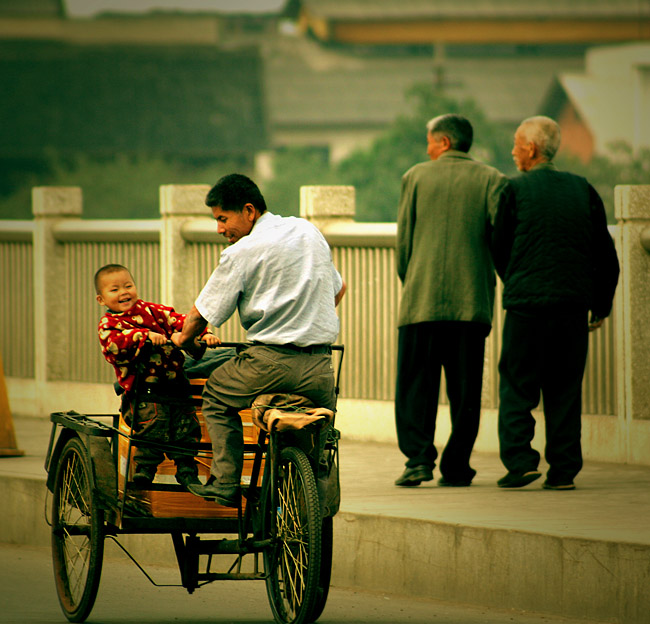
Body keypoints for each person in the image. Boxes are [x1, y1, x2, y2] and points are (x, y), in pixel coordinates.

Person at [172, 173, 346, 507]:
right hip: (321, 366)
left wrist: (183, 338)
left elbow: (200, 316)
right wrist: (305, 319)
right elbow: (338, 289)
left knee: (217, 396)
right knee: (319, 441)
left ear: (249, 211)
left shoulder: (242, 251)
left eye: (223, 219)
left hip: (269, 362)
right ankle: (315, 508)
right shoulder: (307, 231)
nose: (220, 229)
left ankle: (224, 483)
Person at [492, 116, 619, 490]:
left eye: (516, 144)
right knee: (564, 389)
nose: (513, 151)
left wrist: (515, 283)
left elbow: (499, 248)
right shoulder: (583, 190)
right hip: (571, 309)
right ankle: (563, 469)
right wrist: (601, 304)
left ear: (530, 149)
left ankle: (519, 463)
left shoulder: (514, 191)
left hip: (526, 309)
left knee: (517, 386)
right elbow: (605, 255)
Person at [394, 114, 511, 488]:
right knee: (465, 392)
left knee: (415, 385)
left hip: (420, 302)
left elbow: (404, 244)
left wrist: (412, 281)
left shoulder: (415, 177)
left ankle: (417, 461)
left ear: (443, 142)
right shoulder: (493, 179)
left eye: (430, 141)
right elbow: (501, 241)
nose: (426, 149)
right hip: (470, 304)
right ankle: (456, 466)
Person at [95, 263, 220, 487]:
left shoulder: (153, 311)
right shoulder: (109, 324)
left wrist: (205, 333)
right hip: (144, 391)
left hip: (177, 385)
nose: (124, 292)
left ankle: (186, 469)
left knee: (185, 428)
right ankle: (145, 469)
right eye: (114, 289)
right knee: (150, 429)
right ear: (101, 299)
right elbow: (113, 347)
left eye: (128, 286)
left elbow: (181, 321)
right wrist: (146, 336)